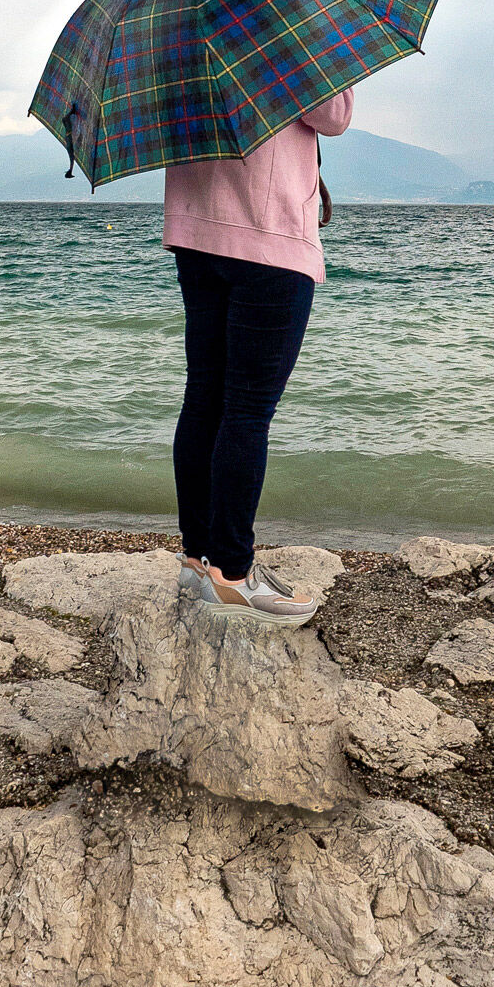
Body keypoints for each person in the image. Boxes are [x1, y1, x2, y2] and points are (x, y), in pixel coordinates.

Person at [162, 87, 352, 623]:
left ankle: (198, 560)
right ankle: (231, 573)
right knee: (246, 410)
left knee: (204, 397)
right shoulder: (282, 38)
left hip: (196, 229)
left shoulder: (177, 41)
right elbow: (333, 115)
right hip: (268, 235)